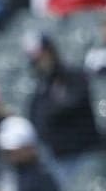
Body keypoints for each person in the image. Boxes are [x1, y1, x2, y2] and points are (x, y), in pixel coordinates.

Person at [25, 32, 100, 179]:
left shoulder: (73, 76)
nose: (39, 62)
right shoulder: (43, 83)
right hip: (55, 153)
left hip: (81, 153)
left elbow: (69, 105)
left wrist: (49, 110)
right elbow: (35, 114)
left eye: (42, 56)